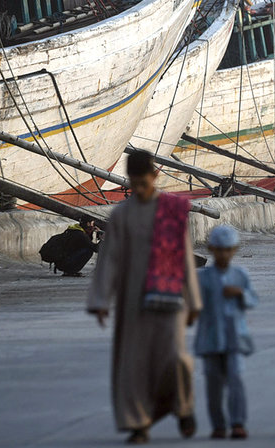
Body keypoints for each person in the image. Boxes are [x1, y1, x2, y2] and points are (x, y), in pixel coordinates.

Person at [87, 150, 202, 445]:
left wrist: (194, 301)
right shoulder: (122, 215)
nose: (138, 189)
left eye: (143, 182)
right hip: (132, 300)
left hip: (170, 297)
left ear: (155, 176)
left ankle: (183, 407)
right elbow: (108, 259)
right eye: (134, 183)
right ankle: (138, 424)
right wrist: (101, 301)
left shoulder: (172, 211)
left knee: (174, 359)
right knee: (132, 364)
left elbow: (184, 258)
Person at [195, 225, 257, 440]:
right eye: (219, 249)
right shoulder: (201, 277)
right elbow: (193, 302)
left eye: (228, 249)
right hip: (210, 337)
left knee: (235, 379)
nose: (223, 254)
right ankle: (218, 424)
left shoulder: (240, 275)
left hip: (234, 337)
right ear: (212, 249)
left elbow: (252, 299)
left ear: (235, 250)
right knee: (213, 383)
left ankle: (238, 422)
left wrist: (240, 294)